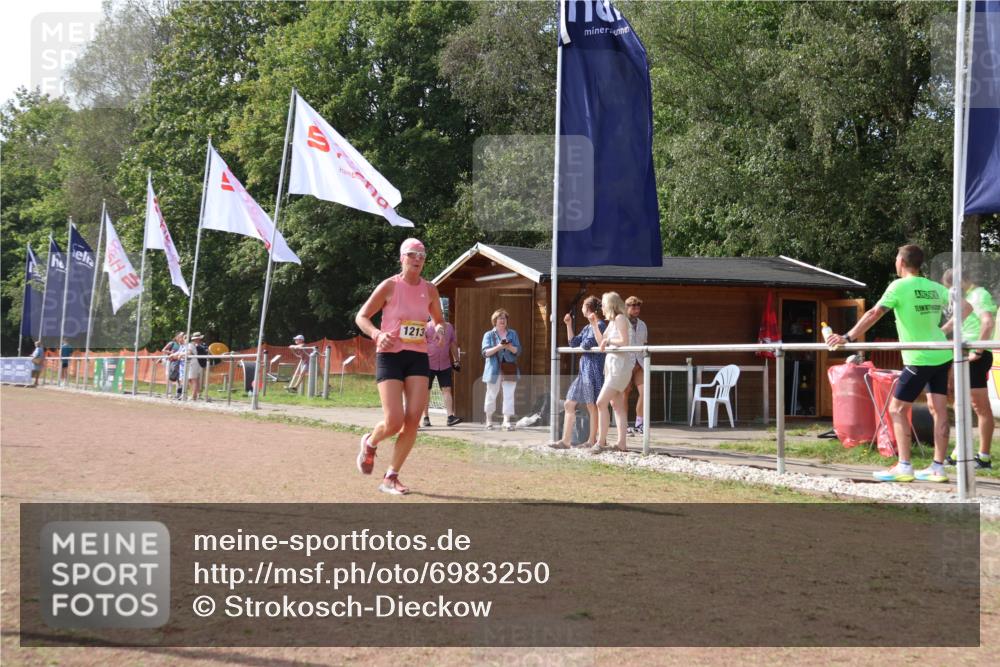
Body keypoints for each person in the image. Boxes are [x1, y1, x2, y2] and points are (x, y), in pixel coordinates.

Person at [826, 245, 972, 483]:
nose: (895, 262)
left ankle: (904, 465)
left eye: (896, 258)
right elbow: (966, 308)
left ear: (902, 262)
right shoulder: (935, 287)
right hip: (940, 354)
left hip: (918, 358)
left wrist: (848, 337)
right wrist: (942, 332)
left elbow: (875, 313)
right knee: (939, 411)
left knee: (896, 409)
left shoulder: (899, 286)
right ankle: (937, 467)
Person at [355, 238, 446, 495]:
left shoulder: (430, 289)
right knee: (394, 421)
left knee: (413, 420)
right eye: (412, 254)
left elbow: (439, 320)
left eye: (422, 255)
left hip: (417, 356)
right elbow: (361, 316)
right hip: (390, 355)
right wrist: (376, 334)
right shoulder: (389, 286)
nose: (418, 259)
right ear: (402, 258)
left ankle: (390, 477)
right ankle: (371, 443)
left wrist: (439, 330)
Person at [942, 269, 996, 469]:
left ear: (962, 281)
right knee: (959, 403)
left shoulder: (980, 294)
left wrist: (979, 351)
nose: (953, 292)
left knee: (979, 406)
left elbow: (988, 322)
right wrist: (940, 333)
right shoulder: (968, 297)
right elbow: (956, 321)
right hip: (966, 354)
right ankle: (960, 451)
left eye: (954, 287)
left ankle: (983, 457)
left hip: (977, 355)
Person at [548, 296, 606, 449]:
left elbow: (588, 344)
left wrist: (584, 343)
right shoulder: (587, 327)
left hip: (594, 368)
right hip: (584, 369)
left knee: (591, 405)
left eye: (583, 307)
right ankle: (565, 441)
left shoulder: (599, 324)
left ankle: (592, 440)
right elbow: (574, 342)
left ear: (588, 309)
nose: (581, 309)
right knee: (569, 403)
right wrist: (568, 324)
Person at [593, 292, 632, 453]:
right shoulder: (611, 322)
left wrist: (608, 341)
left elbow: (624, 341)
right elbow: (600, 341)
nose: (601, 308)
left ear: (610, 305)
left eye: (603, 304)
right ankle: (621, 443)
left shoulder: (620, 319)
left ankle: (601, 442)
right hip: (611, 367)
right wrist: (594, 324)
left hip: (619, 367)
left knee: (600, 402)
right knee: (616, 405)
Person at [481, 308, 521, 431]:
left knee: (509, 395)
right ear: (495, 320)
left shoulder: (512, 333)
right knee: (491, 394)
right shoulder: (489, 334)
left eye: (504, 318)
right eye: (500, 318)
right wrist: (499, 346)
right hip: (493, 369)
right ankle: (489, 420)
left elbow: (518, 351)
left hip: (509, 368)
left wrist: (509, 346)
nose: (502, 320)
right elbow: (485, 353)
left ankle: (506, 421)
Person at [423, 310, 462, 427]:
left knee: (447, 389)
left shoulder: (449, 327)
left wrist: (457, 360)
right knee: (426, 391)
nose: (440, 315)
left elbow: (453, 344)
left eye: (441, 313)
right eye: (436, 313)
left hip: (445, 364)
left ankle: (450, 417)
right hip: (428, 364)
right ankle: (426, 417)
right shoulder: (426, 327)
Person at [622, 296, 648, 435]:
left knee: (644, 392)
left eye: (638, 307)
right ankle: (624, 424)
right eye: (633, 307)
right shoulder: (621, 322)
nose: (636, 310)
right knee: (625, 393)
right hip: (626, 362)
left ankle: (639, 423)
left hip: (640, 362)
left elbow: (644, 344)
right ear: (626, 307)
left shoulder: (643, 324)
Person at [162, 332, 184, 398]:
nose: (182, 338)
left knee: (179, 378)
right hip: (171, 362)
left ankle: (178, 393)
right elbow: (163, 350)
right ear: (177, 337)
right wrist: (171, 352)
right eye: (181, 336)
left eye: (183, 336)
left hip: (179, 362)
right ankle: (169, 393)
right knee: (169, 376)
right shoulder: (172, 343)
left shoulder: (183, 344)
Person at [186, 332, 206, 401]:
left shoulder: (191, 345)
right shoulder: (200, 345)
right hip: (199, 364)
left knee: (193, 380)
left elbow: (189, 353)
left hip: (193, 364)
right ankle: (196, 395)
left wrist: (181, 355)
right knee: (195, 380)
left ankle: (194, 396)